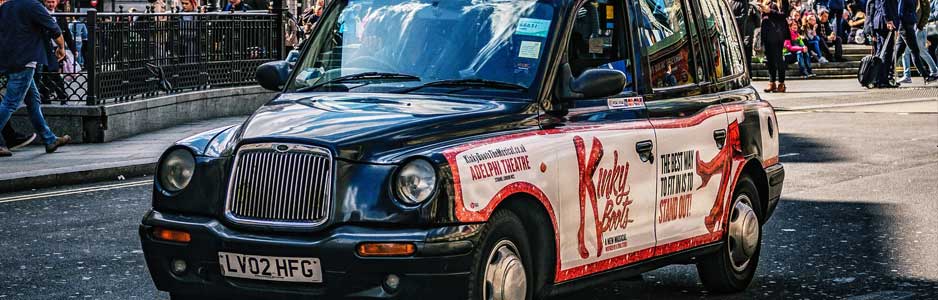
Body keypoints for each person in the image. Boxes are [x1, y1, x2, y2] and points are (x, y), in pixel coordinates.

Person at [0, 0, 72, 156]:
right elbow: (54, 29)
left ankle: (49, 139)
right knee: (11, 102)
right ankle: (49, 138)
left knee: (33, 100)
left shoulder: (6, 6)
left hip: (7, 59)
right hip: (26, 59)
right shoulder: (32, 5)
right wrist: (61, 47)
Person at [895, 0, 938, 82]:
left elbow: (924, 13)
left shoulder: (923, 1)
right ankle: (924, 75)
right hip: (908, 27)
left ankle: (930, 73)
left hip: (914, 27)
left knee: (908, 51)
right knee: (911, 52)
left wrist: (917, 24)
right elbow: (901, 12)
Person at [760, 0, 792, 92]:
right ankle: (772, 82)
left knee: (778, 60)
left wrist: (769, 11)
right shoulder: (767, 1)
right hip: (767, 33)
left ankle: (781, 83)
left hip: (777, 35)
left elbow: (784, 15)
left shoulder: (783, 2)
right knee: (769, 60)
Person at [870, 0, 900, 87]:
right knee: (887, 52)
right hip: (884, 23)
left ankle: (877, 78)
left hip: (880, 22)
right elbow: (884, 3)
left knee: (881, 51)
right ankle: (883, 79)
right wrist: (888, 20)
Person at [732, 0, 762, 76]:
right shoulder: (730, 2)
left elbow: (743, 17)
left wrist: (730, 19)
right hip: (737, 33)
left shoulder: (744, 3)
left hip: (745, 33)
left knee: (746, 54)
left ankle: (748, 73)